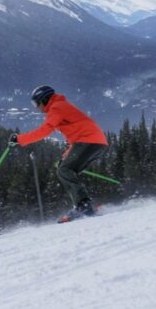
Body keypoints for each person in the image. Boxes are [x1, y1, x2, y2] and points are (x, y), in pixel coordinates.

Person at [10, 85, 109, 220]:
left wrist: (19, 139)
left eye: (36, 103)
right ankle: (85, 204)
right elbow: (76, 134)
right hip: (96, 142)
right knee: (67, 169)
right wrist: (67, 154)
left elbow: (44, 131)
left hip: (89, 141)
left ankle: (83, 205)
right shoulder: (60, 106)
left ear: (44, 99)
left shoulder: (57, 107)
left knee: (64, 170)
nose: (37, 107)